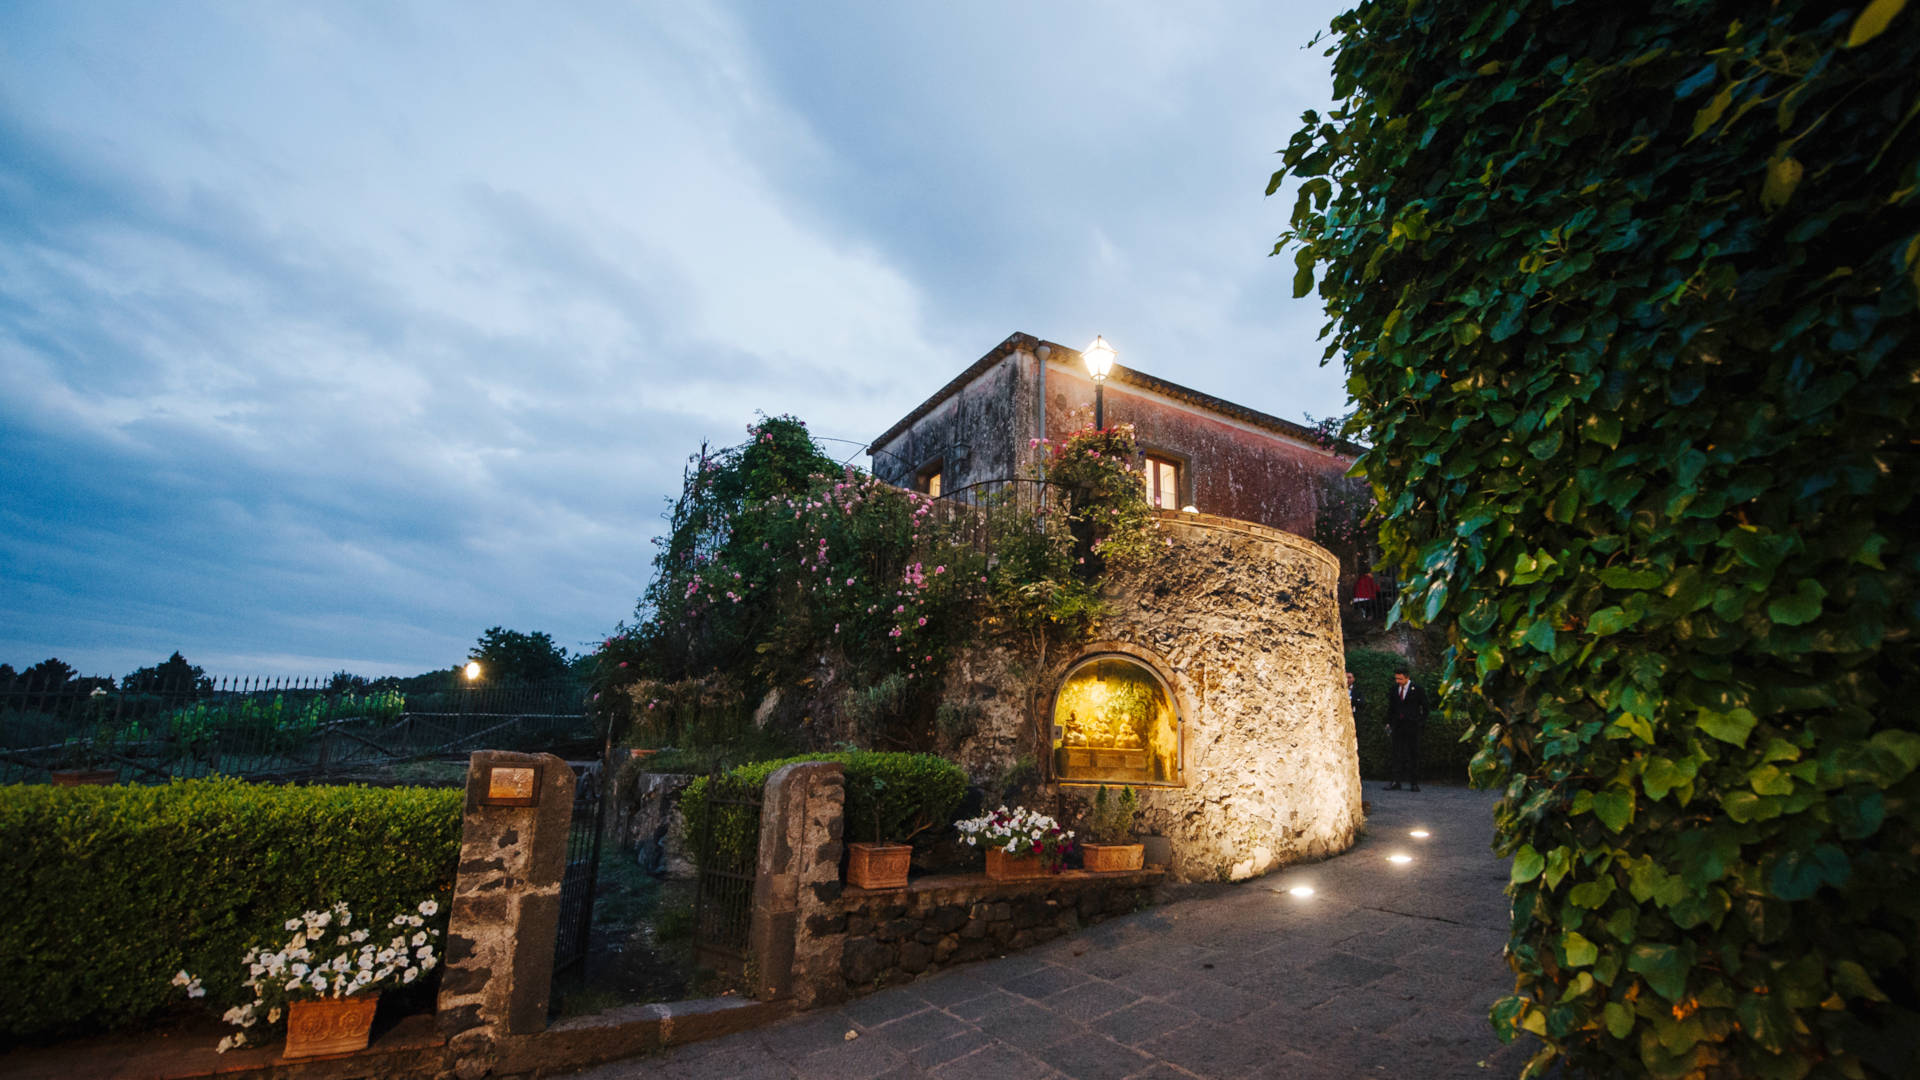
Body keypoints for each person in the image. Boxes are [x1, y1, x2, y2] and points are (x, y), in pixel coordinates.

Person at [1385, 666, 1427, 791]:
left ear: (1407, 677)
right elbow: (1391, 708)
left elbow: (1425, 708)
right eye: (1396, 679)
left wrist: (1420, 723)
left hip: (1412, 727)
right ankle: (1395, 782)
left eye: (1400, 679)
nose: (1398, 681)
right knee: (1396, 754)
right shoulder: (1394, 689)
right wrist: (1389, 722)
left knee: (1413, 754)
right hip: (1398, 726)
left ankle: (1414, 783)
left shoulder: (1417, 689)